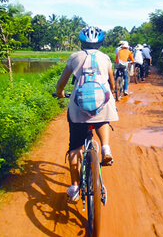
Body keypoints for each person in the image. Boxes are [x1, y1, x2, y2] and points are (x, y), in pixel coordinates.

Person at [54, 26, 119, 202]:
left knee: (75, 146)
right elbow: (112, 84)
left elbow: (61, 83)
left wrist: (60, 93)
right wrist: (112, 92)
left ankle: (75, 188)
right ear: (101, 43)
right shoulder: (105, 58)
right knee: (103, 119)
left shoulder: (75, 57)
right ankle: (105, 147)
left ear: (81, 42)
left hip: (78, 107)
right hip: (102, 104)